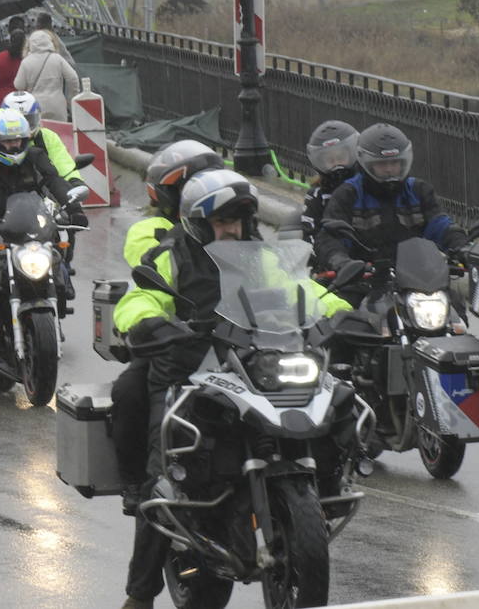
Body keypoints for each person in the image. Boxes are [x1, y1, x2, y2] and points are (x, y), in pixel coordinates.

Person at [112, 169, 350, 608]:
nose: (233, 230)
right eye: (223, 221)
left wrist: (339, 310)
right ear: (199, 222)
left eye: (239, 221)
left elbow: (301, 289)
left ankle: (325, 486)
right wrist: (151, 321)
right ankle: (140, 595)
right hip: (187, 366)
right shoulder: (172, 255)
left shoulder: (261, 257)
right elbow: (138, 298)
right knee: (161, 481)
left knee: (333, 396)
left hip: (252, 360)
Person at [109, 140, 223, 516]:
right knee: (129, 391)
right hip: (179, 341)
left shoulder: (238, 237)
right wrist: (153, 325)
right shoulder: (157, 232)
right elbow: (147, 266)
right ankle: (137, 482)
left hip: (236, 343)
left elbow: (291, 286)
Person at [0, 108, 87, 345]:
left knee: (60, 271)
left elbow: (54, 181)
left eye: (17, 139)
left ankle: (53, 315)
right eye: (6, 140)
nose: (13, 145)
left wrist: (74, 208)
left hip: (30, 230)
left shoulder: (35, 157)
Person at [314, 123, 468, 305]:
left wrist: (462, 247)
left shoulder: (419, 191)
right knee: (344, 319)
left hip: (417, 282)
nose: (389, 169)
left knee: (455, 312)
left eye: (394, 163)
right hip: (362, 283)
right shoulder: (348, 194)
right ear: (366, 164)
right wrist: (341, 262)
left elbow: (440, 225)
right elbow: (330, 238)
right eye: (382, 164)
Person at [1, 91, 81, 186]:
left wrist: (75, 181)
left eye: (29, 120)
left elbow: (63, 164)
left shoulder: (47, 137)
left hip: (43, 196)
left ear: (38, 116)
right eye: (18, 121)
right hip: (3, 195)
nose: (24, 127)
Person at [301, 120, 360, 245]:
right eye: (330, 160)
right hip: (333, 255)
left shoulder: (366, 186)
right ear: (321, 163)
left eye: (341, 157)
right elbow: (309, 234)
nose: (336, 163)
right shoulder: (317, 195)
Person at [13, 29, 81, 122]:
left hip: (35, 105)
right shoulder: (57, 58)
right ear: (48, 41)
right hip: (58, 105)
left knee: (41, 134)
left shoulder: (26, 62)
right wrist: (71, 99)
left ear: (31, 43)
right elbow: (73, 78)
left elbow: (18, 85)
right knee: (59, 134)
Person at [0, 28, 26, 107]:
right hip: (22, 99)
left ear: (10, 40)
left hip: (3, 99)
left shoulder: (1, 57)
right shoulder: (26, 58)